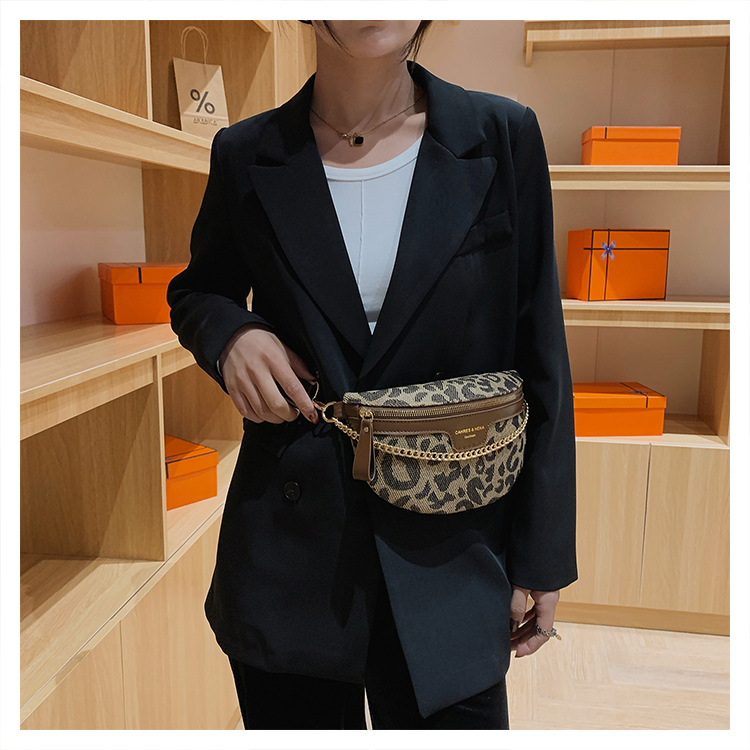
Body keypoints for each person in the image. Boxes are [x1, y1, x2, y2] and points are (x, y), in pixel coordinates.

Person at [167, 20, 577, 730]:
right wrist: (233, 335)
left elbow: (539, 346)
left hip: (453, 538)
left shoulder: (500, 134)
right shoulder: (246, 151)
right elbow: (199, 290)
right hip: (293, 549)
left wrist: (541, 552)